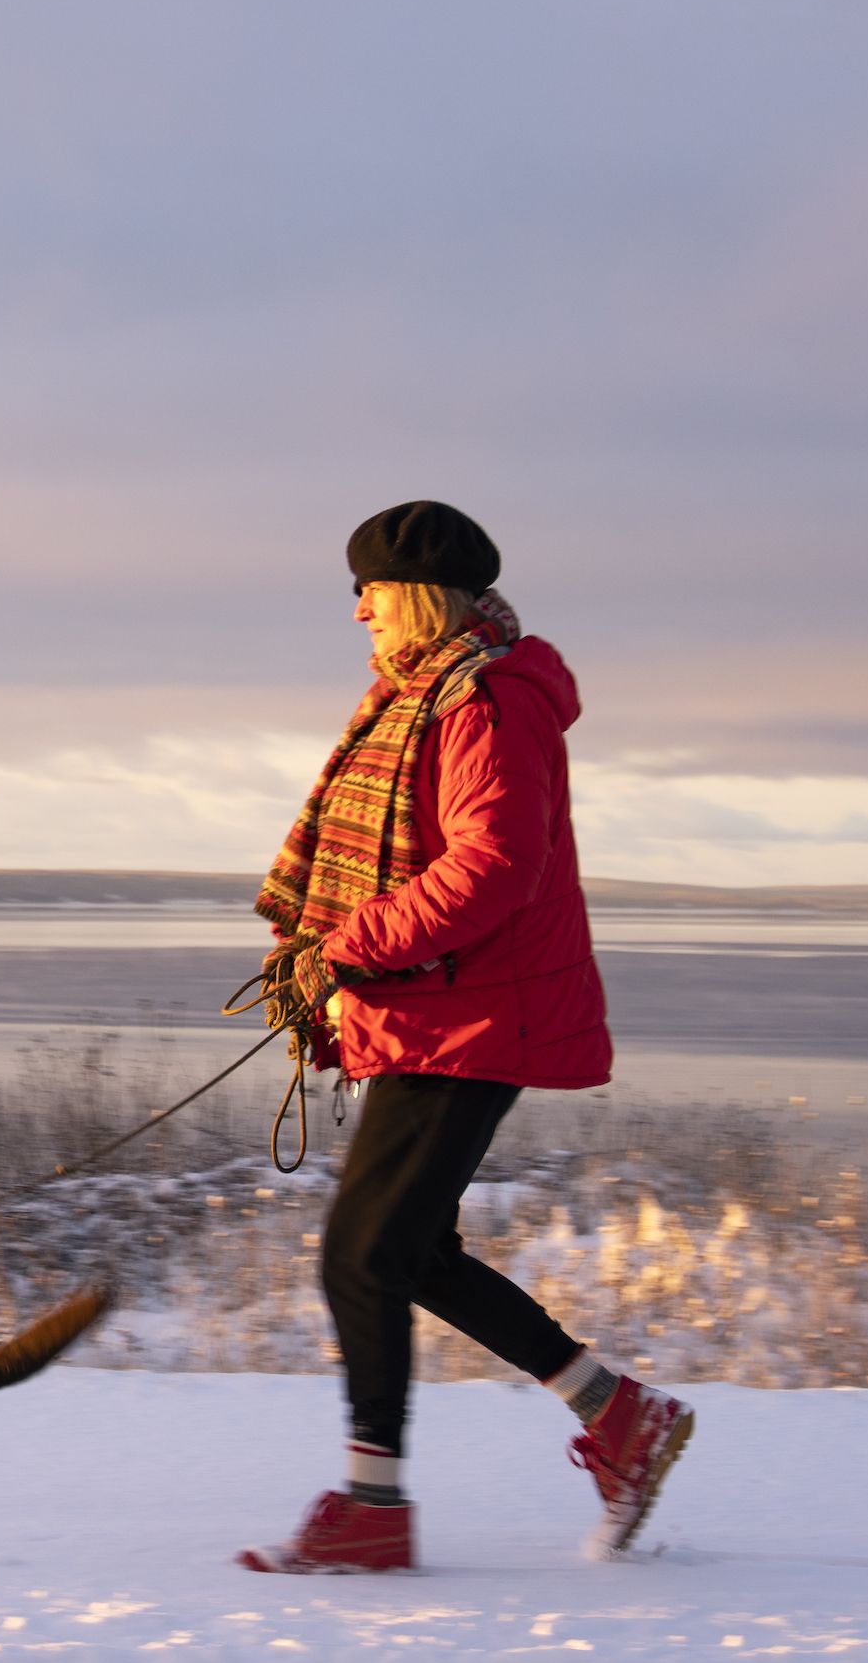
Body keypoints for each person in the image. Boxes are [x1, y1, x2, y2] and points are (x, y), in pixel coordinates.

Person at [237, 500, 692, 1573]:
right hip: (436, 1007)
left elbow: (493, 868)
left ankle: (372, 1507)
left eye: (369, 590)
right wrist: (329, 960)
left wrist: (342, 946)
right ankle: (619, 1416)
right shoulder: (422, 696)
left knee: (363, 1253)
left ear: (419, 595)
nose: (355, 610)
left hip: (477, 1014)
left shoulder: (484, 700)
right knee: (405, 1250)